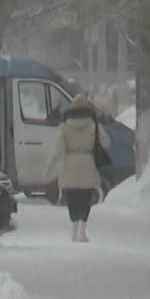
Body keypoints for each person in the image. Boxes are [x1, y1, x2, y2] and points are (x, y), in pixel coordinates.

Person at [53, 94, 111, 243]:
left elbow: (58, 148)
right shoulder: (94, 125)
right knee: (85, 198)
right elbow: (106, 144)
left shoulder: (64, 126)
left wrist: (50, 167)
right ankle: (82, 232)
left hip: (69, 162)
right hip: (87, 161)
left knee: (71, 197)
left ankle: (73, 230)